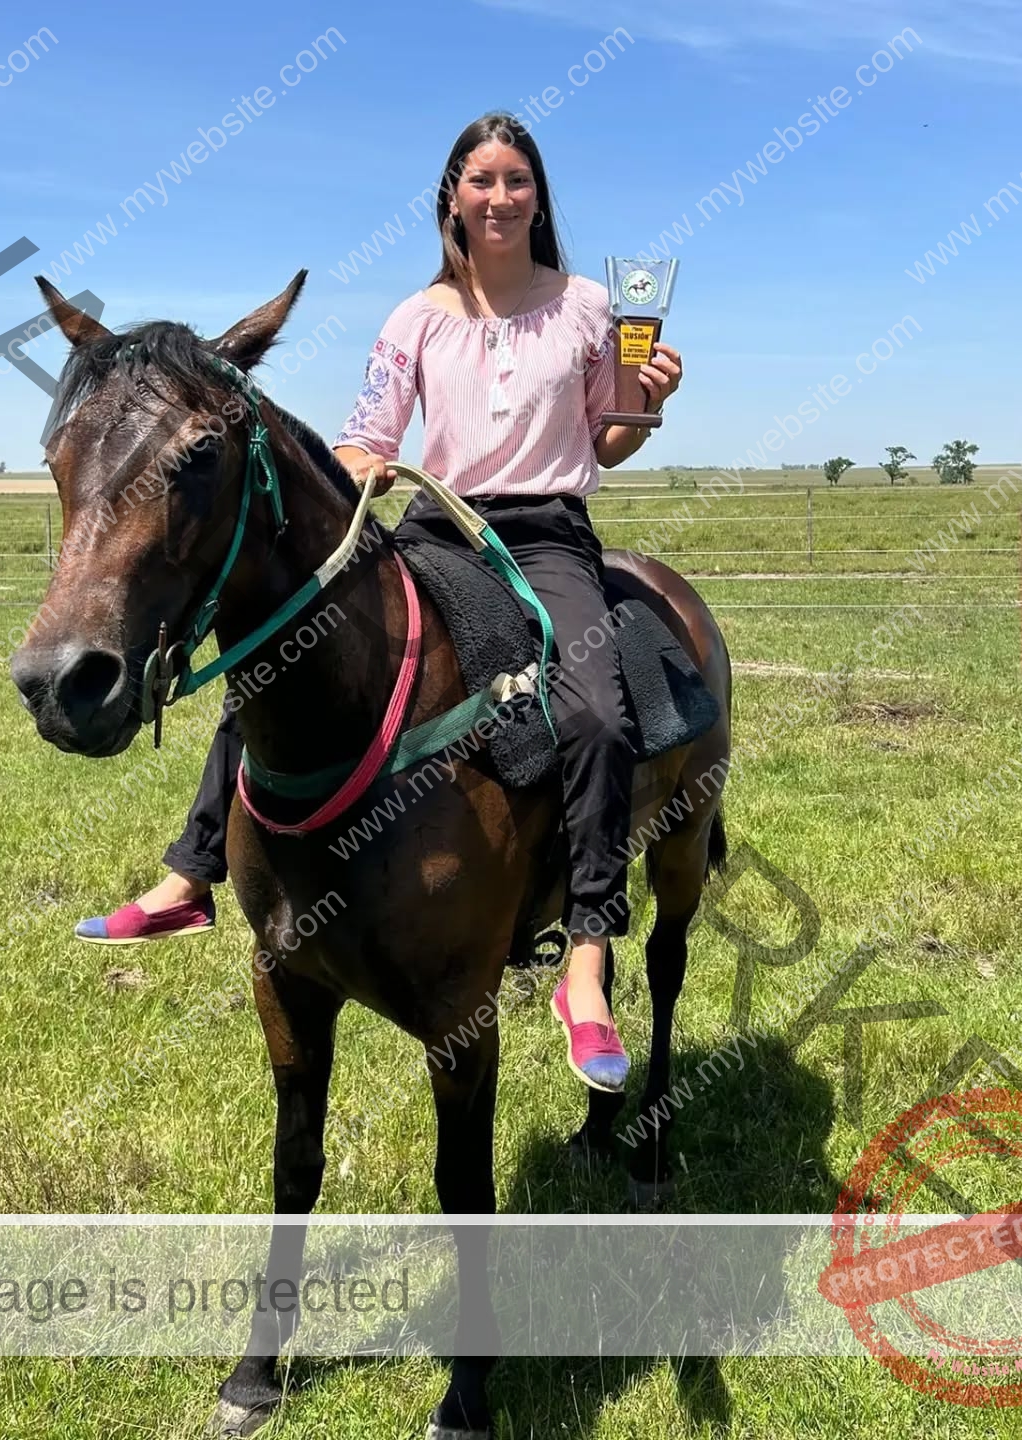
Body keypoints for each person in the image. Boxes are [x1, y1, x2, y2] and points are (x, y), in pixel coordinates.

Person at [75, 112, 683, 1092]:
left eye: (517, 180)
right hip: (437, 525)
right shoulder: (415, 317)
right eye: (481, 180)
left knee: (599, 714)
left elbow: (605, 438)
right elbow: (369, 432)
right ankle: (193, 875)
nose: (499, 196)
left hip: (544, 533)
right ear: (453, 198)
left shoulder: (586, 304)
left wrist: (647, 400)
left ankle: (586, 959)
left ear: (538, 197)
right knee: (280, 652)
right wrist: (342, 474)